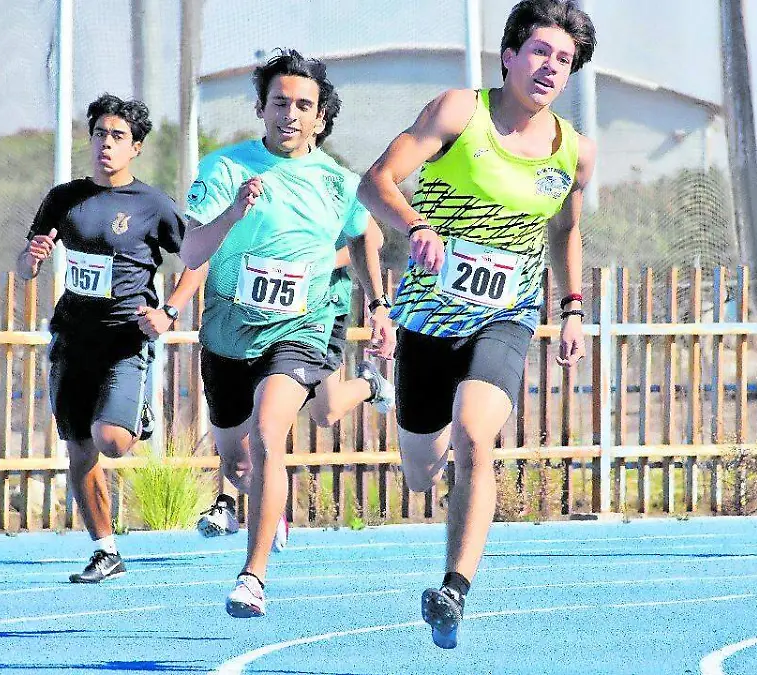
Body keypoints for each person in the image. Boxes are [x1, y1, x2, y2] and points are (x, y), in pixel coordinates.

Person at [358, 0, 596, 649]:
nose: (551, 67)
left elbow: (567, 231)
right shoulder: (459, 112)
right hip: (430, 320)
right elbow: (374, 182)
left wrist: (572, 305)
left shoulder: (573, 152)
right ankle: (394, 405)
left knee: (475, 435)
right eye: (542, 52)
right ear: (511, 56)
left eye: (565, 60)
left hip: (507, 316)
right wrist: (418, 226)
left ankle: (454, 587)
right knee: (418, 469)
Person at [179, 49, 394, 618]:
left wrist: (378, 304)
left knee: (272, 431)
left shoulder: (338, 183)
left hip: (303, 323)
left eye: (304, 105)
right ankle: (268, 505)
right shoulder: (224, 169)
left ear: (321, 118)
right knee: (239, 461)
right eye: (280, 102)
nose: (291, 114)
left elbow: (365, 234)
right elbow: (192, 250)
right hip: (228, 330)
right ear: (261, 108)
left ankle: (252, 578)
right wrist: (233, 214)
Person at [17, 94, 206, 583]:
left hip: (125, 340)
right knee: (79, 448)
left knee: (112, 441)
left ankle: (133, 414)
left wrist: (169, 312)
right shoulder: (64, 198)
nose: (106, 144)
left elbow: (198, 258)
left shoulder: (152, 205)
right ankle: (106, 550)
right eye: (100, 133)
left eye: (118, 136)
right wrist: (33, 259)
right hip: (71, 340)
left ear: (136, 147)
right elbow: (24, 267)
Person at [195, 234, 395, 540]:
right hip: (259, 314)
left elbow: (372, 237)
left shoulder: (338, 187)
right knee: (256, 425)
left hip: (320, 309)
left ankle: (368, 385)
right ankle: (255, 506)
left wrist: (316, 264)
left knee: (325, 412)